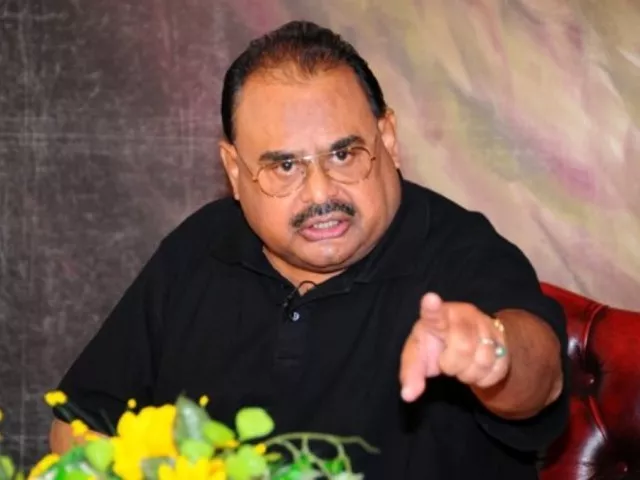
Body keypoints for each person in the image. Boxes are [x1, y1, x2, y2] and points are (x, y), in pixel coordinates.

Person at [49, 20, 568, 479]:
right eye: (285, 166)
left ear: (388, 139)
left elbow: (540, 380)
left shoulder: (459, 248)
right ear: (234, 171)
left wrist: (493, 354)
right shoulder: (200, 247)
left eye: (343, 154)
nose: (320, 194)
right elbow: (79, 421)